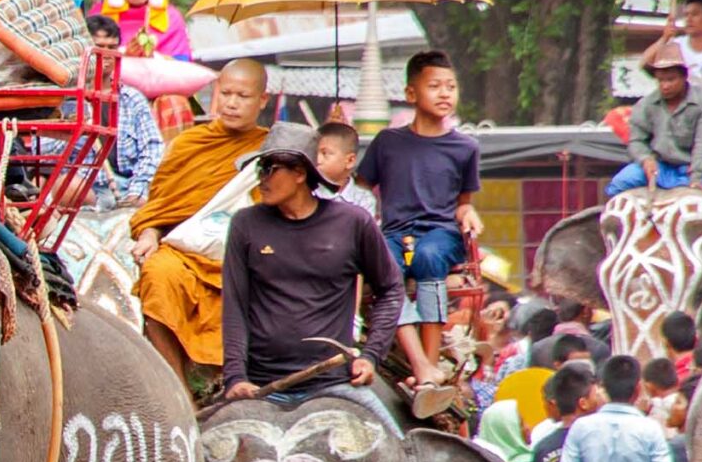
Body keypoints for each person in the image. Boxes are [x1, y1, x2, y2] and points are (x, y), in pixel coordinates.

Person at [219, 124, 404, 406]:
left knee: (395, 444)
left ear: (300, 173)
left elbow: (390, 288)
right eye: (260, 169)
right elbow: (234, 304)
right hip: (262, 387)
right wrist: (235, 377)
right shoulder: (246, 224)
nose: (262, 179)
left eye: (271, 169)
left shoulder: (353, 222)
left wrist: (370, 356)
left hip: (334, 385)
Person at [132, 59, 272, 383]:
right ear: (214, 94)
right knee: (157, 274)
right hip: (187, 253)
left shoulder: (272, 148)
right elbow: (160, 207)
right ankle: (177, 390)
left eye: (243, 96)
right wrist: (150, 235)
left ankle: (240, 383)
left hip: (246, 255)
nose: (232, 103)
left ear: (262, 100)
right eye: (226, 93)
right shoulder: (189, 145)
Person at [354, 52, 484, 389]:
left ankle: (431, 362)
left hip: (441, 235)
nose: (444, 94)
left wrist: (467, 212)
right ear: (411, 94)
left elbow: (463, 203)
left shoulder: (465, 147)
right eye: (435, 86)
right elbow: (362, 188)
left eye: (451, 87)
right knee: (387, 269)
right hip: (397, 234)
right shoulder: (387, 142)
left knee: (427, 256)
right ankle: (420, 363)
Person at [613, 54, 702, 209]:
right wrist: (645, 159)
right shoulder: (646, 104)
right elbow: (636, 140)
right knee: (617, 185)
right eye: (661, 80)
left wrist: (696, 176)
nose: (665, 85)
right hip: (660, 167)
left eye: (670, 79)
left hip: (697, 169)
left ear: (684, 77)